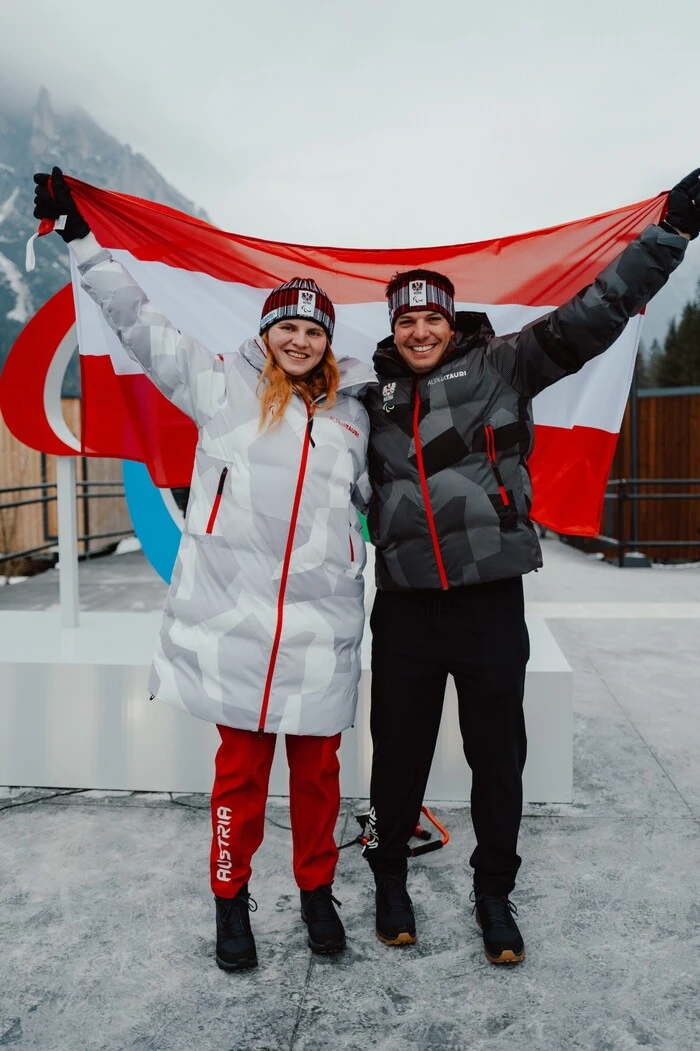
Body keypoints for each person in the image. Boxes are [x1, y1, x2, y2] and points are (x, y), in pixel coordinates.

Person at [32, 167, 375, 972]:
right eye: (287, 329)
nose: (299, 341)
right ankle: (231, 899)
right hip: (236, 624)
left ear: (328, 342)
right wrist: (81, 240)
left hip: (322, 630)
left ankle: (317, 892)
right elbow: (134, 316)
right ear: (267, 334)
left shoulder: (356, 415)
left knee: (320, 780)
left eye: (313, 331)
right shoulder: (217, 384)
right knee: (239, 780)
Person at [360, 170, 700, 964]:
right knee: (398, 753)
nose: (418, 331)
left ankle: (494, 891)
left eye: (429, 318)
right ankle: (389, 880)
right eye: (405, 319)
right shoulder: (367, 400)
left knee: (497, 758)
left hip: (487, 603)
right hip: (406, 607)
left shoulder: (505, 368)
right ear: (393, 326)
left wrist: (672, 233)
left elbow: (599, 310)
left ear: (451, 323)